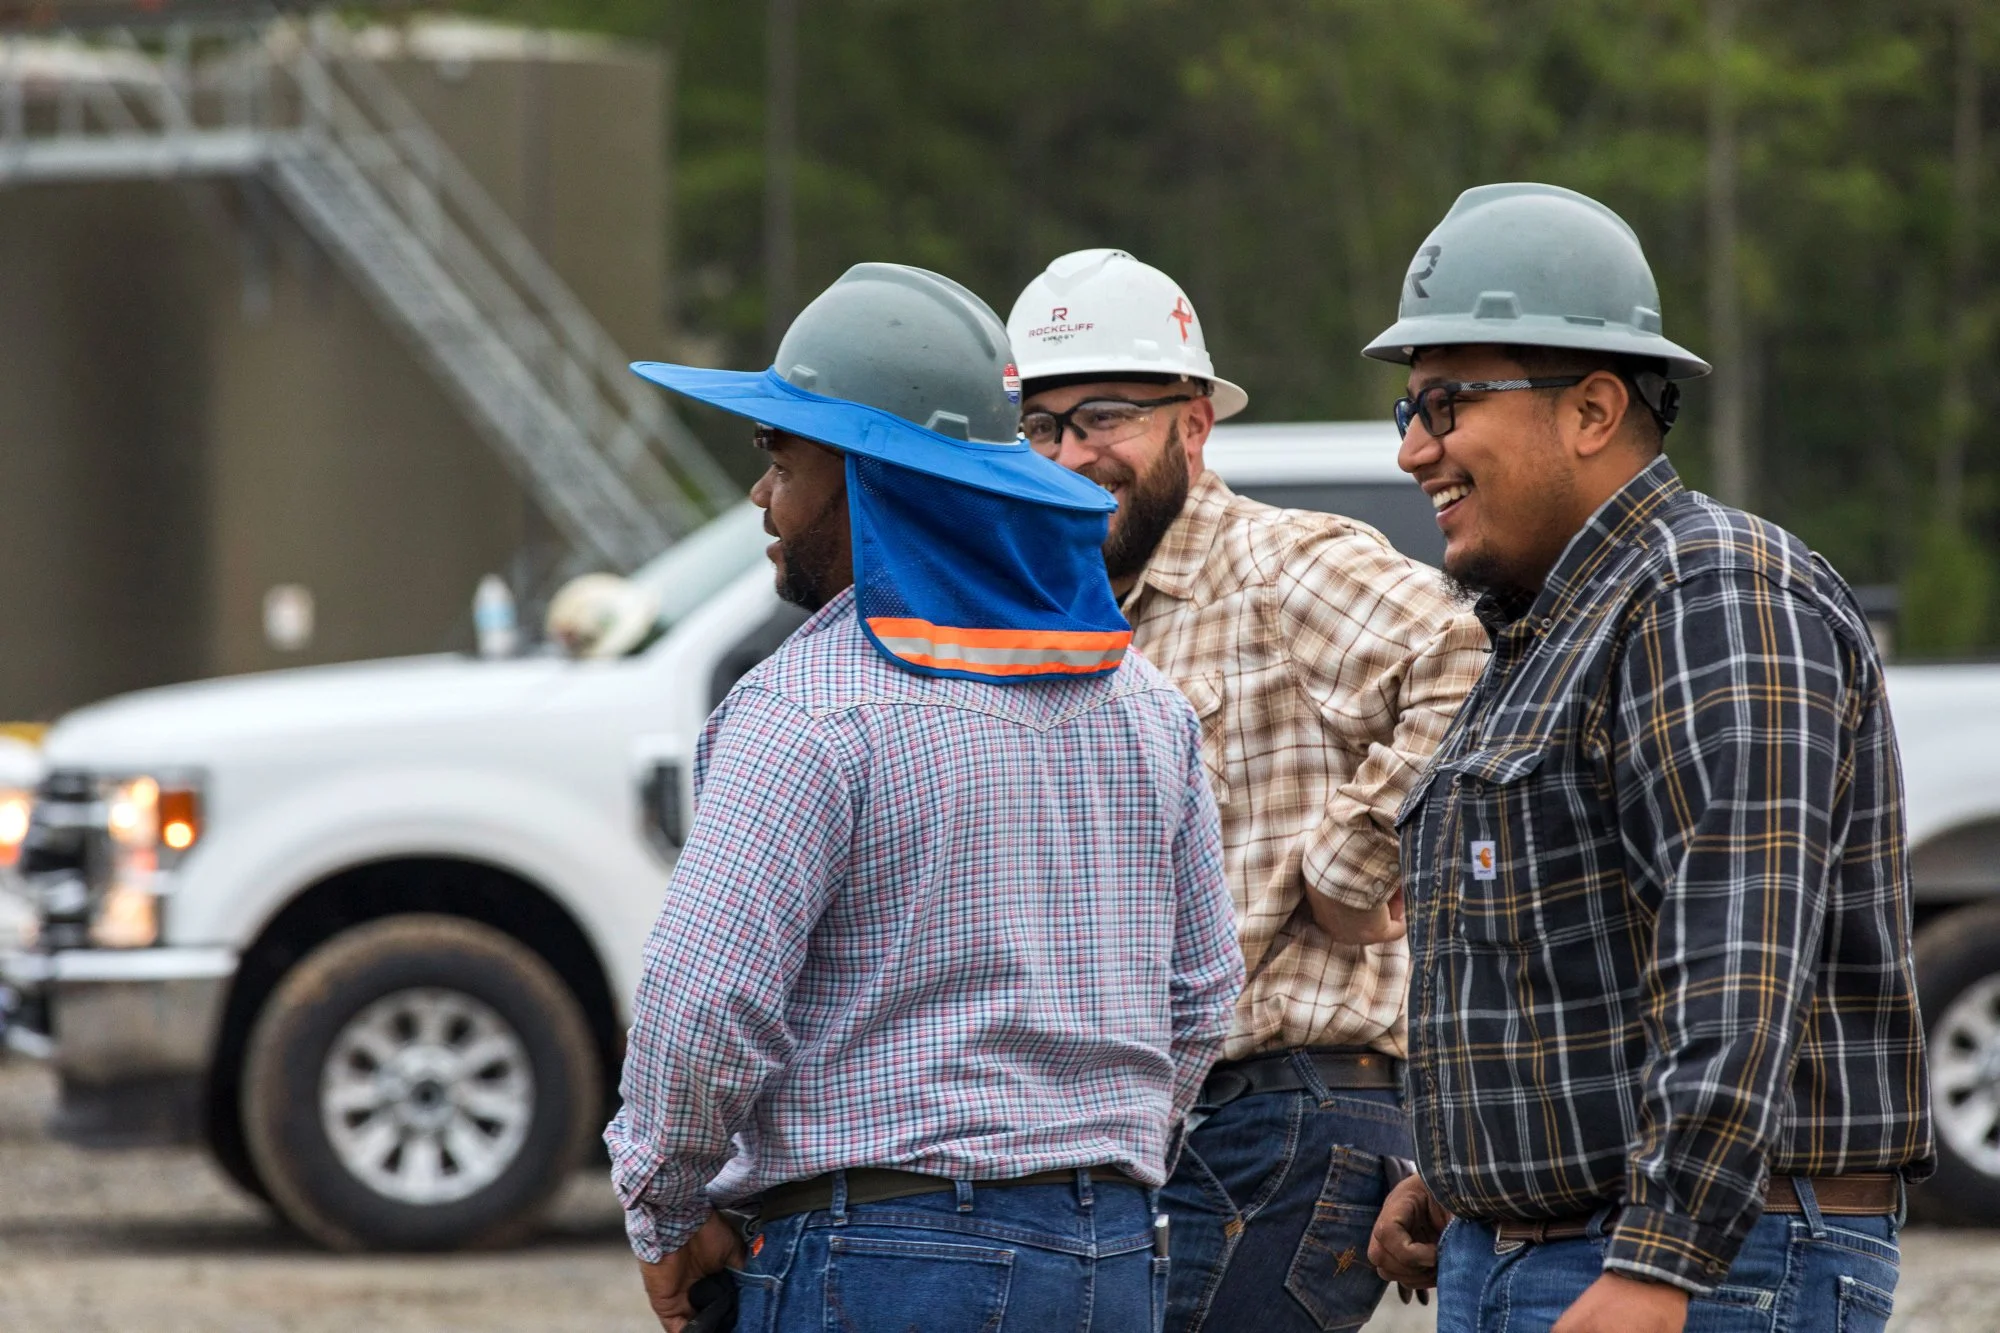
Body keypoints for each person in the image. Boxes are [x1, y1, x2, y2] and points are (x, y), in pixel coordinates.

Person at [604, 262, 1243, 1333]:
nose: (761, 495)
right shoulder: (1141, 703)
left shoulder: (809, 705)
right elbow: (1200, 991)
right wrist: (1077, 1157)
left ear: (871, 476)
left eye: (778, 457)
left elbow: (703, 1006)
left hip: (883, 1258)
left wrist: (664, 1211)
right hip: (1112, 1259)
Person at [1362, 183, 1933, 1333]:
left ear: (1591, 409)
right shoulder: (1549, 625)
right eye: (1406, 410)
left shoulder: (1707, 592)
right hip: (1562, 1252)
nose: (1414, 448)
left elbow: (1736, 957)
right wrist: (1463, 1173)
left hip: (1703, 1267)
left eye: (1445, 401)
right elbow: (1580, 967)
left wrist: (1659, 1261)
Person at [1008, 249, 1487, 1332]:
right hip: (1170, 1123)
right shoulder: (1078, 621)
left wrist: (1346, 862)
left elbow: (1469, 656)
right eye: (1044, 427)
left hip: (1287, 1105)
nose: (1071, 455)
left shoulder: (1281, 565)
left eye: (1105, 419)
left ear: (1192, 425)